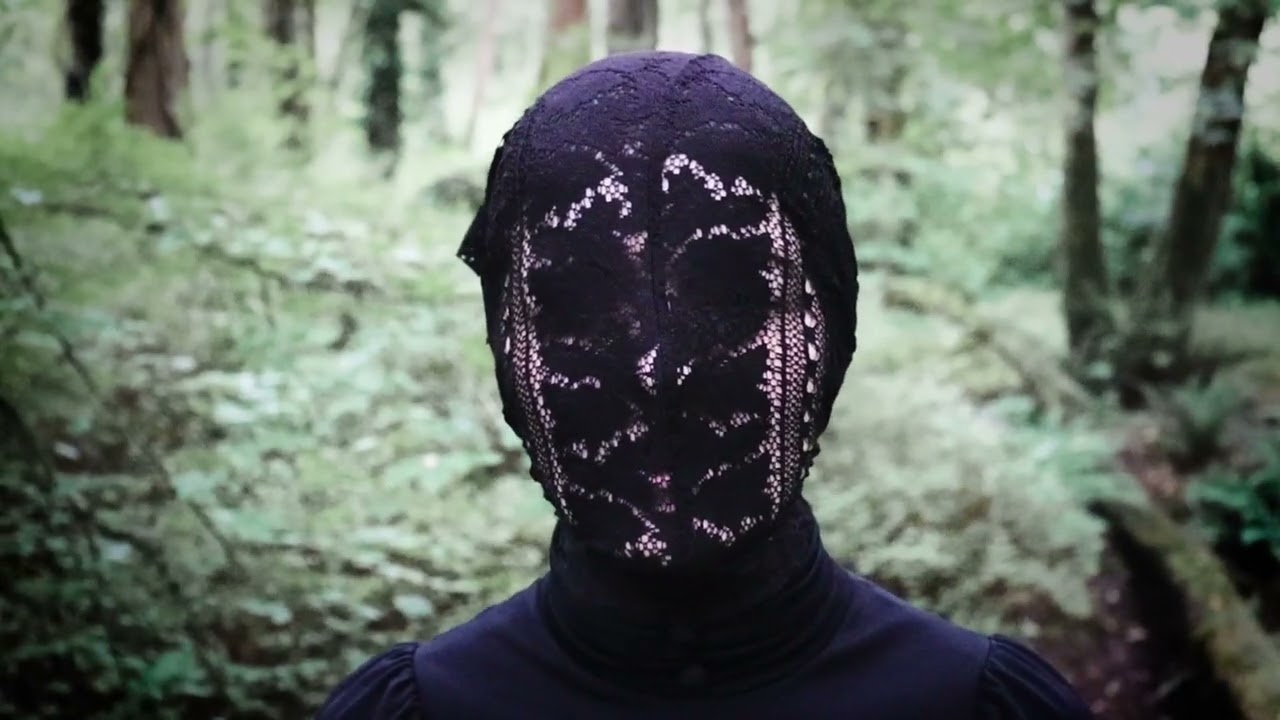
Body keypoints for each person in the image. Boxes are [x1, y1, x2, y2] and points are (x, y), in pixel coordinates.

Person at [316, 51, 1095, 720]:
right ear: (506, 338)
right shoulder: (426, 707)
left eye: (732, 301)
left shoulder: (971, 704)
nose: (658, 369)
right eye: (582, 309)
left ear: (830, 326)